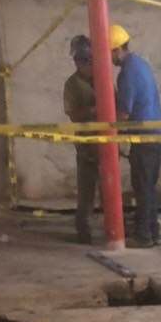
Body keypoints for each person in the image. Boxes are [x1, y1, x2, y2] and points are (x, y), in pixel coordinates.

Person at [110, 24, 161, 248]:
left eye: (108, 53)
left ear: (115, 50)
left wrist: (111, 131)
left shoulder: (127, 74)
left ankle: (143, 236)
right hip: (156, 134)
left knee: (142, 186)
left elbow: (123, 113)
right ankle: (152, 231)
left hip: (145, 136)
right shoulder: (140, 63)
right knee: (149, 186)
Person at [63, 34, 99, 245]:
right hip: (86, 145)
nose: (82, 64)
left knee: (110, 189)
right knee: (86, 192)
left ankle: (114, 230)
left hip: (106, 143)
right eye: (80, 60)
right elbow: (73, 115)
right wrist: (94, 110)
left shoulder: (102, 78)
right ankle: (83, 232)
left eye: (86, 59)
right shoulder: (72, 84)